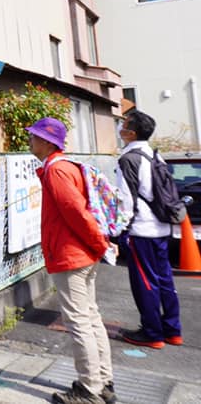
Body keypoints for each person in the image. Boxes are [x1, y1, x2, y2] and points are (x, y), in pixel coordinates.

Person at [27, 118, 114, 404]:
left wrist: (99, 243)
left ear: (48, 142)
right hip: (82, 254)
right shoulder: (66, 167)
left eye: (34, 137)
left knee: (79, 321)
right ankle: (103, 382)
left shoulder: (57, 171)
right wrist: (98, 246)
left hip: (71, 255)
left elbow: (75, 212)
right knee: (90, 317)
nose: (30, 141)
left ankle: (90, 389)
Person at [116, 110, 182, 350]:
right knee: (165, 279)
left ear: (131, 133)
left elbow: (125, 199)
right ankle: (172, 330)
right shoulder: (155, 155)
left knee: (145, 282)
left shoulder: (128, 159)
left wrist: (120, 229)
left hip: (141, 230)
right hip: (163, 227)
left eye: (123, 125)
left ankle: (152, 333)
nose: (120, 128)